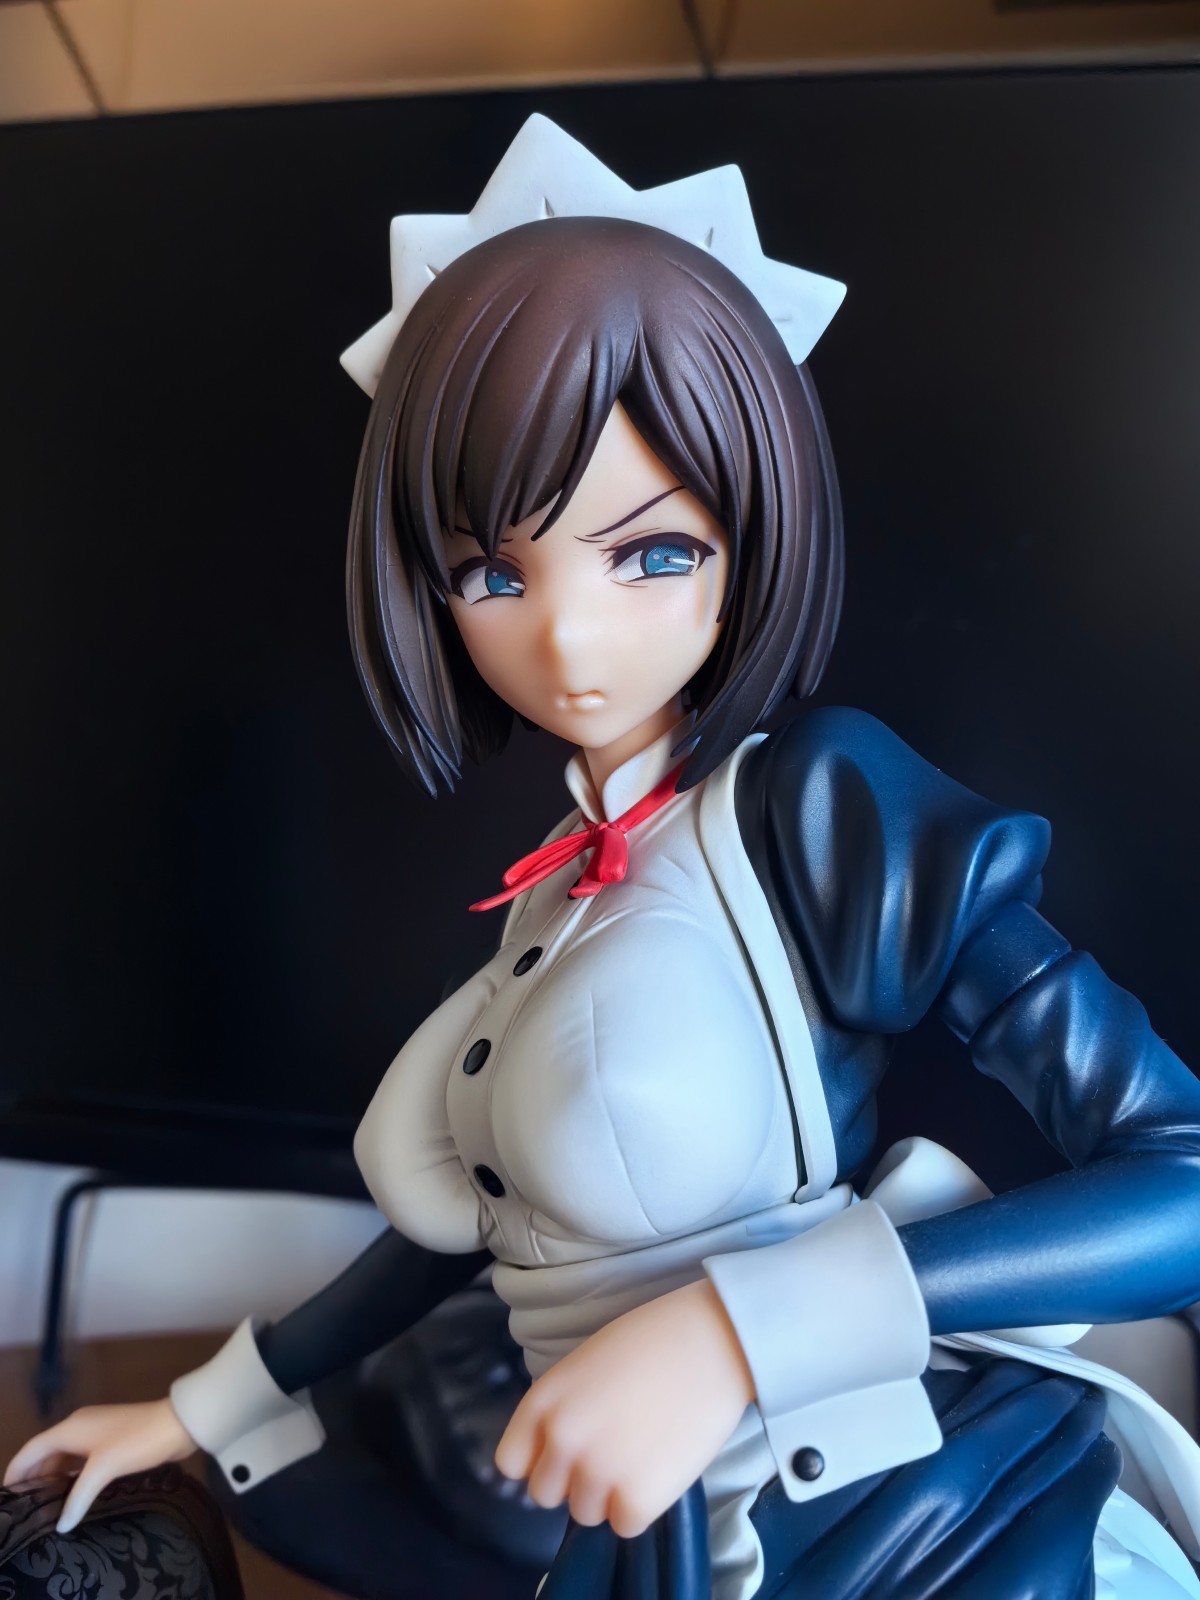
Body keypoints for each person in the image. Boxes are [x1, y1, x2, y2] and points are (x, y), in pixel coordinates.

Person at [8, 117, 1200, 1600]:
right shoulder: (559, 889)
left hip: (905, 1523)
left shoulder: (815, 809)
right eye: (493, 570)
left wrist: (733, 1333)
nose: (567, 636)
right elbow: (488, 1228)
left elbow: (1180, 1180)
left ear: (749, 533)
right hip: (651, 1543)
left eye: (651, 552)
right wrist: (201, 1408)